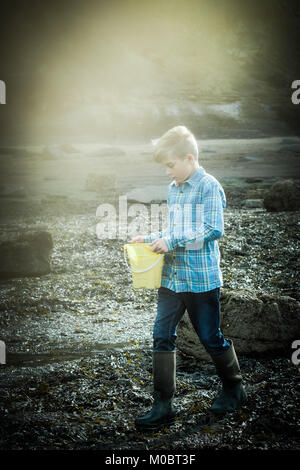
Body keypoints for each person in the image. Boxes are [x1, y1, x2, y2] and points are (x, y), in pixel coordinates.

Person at [130, 125, 246, 431]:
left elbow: (213, 229)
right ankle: (162, 405)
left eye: (170, 165)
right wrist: (152, 237)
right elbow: (173, 230)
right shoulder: (173, 188)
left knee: (209, 337)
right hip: (171, 277)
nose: (168, 172)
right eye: (165, 167)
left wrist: (172, 240)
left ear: (189, 158)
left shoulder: (209, 186)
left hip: (201, 280)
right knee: (161, 334)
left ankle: (234, 388)